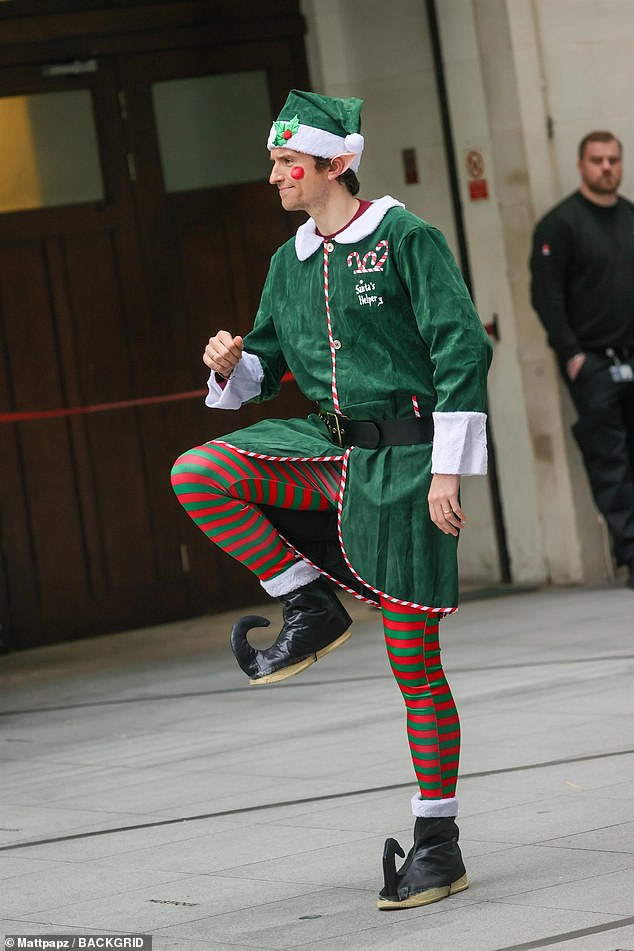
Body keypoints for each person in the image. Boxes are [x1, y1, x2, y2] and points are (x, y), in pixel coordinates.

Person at [171, 89, 492, 910]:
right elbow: (262, 369)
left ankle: (437, 841)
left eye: (289, 163)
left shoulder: (406, 238)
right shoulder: (290, 261)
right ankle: (309, 603)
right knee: (199, 472)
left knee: (414, 664)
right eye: (275, 162)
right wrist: (227, 362)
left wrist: (451, 471)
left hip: (410, 465)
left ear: (337, 164)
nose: (276, 175)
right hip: (326, 448)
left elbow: (462, 347)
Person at [530, 131, 634, 588]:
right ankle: (632, 555)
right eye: (598, 160)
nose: (607, 167)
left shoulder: (630, 216)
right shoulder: (560, 224)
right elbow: (546, 296)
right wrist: (571, 353)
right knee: (609, 461)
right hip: (591, 363)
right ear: (581, 165)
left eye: (614, 160)